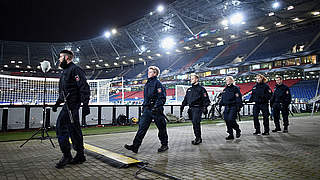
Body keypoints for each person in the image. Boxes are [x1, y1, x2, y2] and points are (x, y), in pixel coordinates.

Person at [52, 50, 90, 169]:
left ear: (67, 58)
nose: (59, 59)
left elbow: (83, 87)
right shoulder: (64, 72)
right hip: (67, 105)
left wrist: (85, 104)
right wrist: (58, 103)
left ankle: (68, 155)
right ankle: (80, 154)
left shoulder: (75, 70)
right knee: (73, 129)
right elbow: (63, 91)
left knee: (62, 127)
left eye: (61, 57)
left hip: (73, 105)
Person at [124, 66, 168, 153]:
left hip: (156, 110)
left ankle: (164, 145)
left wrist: (156, 107)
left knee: (161, 128)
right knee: (142, 128)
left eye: (150, 72)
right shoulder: (147, 83)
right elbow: (146, 98)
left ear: (155, 73)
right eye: (148, 72)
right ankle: (135, 146)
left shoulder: (158, 84)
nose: (148, 73)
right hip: (147, 109)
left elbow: (162, 98)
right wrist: (144, 107)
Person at [181, 74, 210, 145]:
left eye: (192, 78)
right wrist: (182, 106)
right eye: (191, 78)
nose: (191, 80)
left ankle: (198, 138)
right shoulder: (189, 89)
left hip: (198, 108)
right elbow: (186, 99)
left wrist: (205, 107)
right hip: (191, 109)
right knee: (194, 123)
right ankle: (197, 137)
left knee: (196, 123)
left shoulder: (201, 89)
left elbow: (206, 99)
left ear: (197, 79)